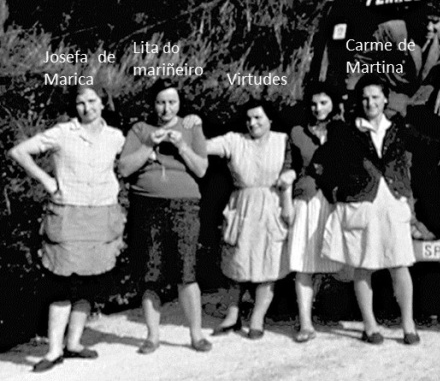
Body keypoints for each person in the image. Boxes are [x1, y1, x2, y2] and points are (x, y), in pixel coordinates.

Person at [8, 85, 125, 372]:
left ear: (102, 102)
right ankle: (53, 351)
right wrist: (47, 182)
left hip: (101, 214)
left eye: (92, 101)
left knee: (89, 282)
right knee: (62, 284)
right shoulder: (62, 133)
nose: (87, 107)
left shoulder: (116, 136)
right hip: (68, 215)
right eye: (81, 103)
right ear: (75, 107)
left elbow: (143, 150)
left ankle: (73, 344)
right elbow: (19, 151)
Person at [315, 75, 424, 346]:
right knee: (364, 265)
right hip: (363, 203)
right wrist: (337, 193)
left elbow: (429, 146)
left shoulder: (399, 128)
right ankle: (370, 325)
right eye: (365, 97)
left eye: (375, 97)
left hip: (392, 201)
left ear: (385, 99)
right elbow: (322, 164)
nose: (370, 102)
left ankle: (408, 324)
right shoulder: (346, 131)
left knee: (400, 264)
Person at [118, 80, 211, 355]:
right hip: (146, 205)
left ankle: (196, 334)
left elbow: (202, 169)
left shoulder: (192, 126)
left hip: (184, 205)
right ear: (153, 104)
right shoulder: (140, 129)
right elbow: (124, 168)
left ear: (180, 103)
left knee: (187, 271)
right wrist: (149, 145)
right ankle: (152, 336)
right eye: (161, 102)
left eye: (172, 102)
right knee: (150, 272)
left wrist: (182, 145)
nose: (166, 107)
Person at [206, 100, 295, 340]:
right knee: (237, 262)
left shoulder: (283, 140)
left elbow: (293, 168)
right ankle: (232, 316)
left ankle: (257, 317)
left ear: (270, 120)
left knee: (269, 263)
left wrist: (287, 196)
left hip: (271, 204)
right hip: (242, 205)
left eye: (258, 118)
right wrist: (190, 127)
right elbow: (202, 147)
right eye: (249, 119)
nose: (252, 123)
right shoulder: (234, 140)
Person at [286, 83, 343, 343]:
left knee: (325, 259)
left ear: (333, 104)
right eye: (314, 103)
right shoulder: (297, 132)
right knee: (303, 260)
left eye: (323, 103)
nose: (318, 108)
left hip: (333, 200)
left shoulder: (343, 130)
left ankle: (320, 308)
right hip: (307, 199)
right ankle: (305, 322)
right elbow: (289, 166)